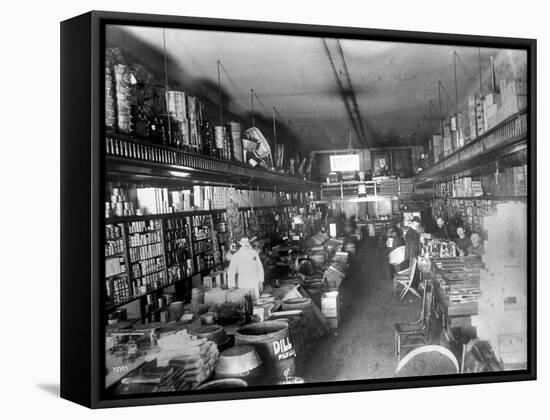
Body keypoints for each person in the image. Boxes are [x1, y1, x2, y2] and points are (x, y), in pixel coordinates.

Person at [227, 236, 265, 300]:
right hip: (243, 284)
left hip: (254, 282)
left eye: (247, 241)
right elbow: (231, 271)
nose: (246, 243)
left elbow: (259, 267)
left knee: (256, 301)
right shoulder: (236, 255)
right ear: (240, 243)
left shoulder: (254, 253)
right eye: (244, 241)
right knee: (246, 304)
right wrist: (231, 286)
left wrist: (261, 281)